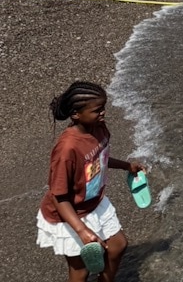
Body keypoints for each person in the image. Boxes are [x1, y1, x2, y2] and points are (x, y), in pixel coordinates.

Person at [37, 81, 145, 282]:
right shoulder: (67, 149)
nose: (103, 113)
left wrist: (126, 166)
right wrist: (82, 230)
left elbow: (98, 159)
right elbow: (58, 195)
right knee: (81, 269)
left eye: (103, 108)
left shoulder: (98, 127)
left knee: (118, 245)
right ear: (76, 114)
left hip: (93, 202)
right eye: (97, 110)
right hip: (69, 213)